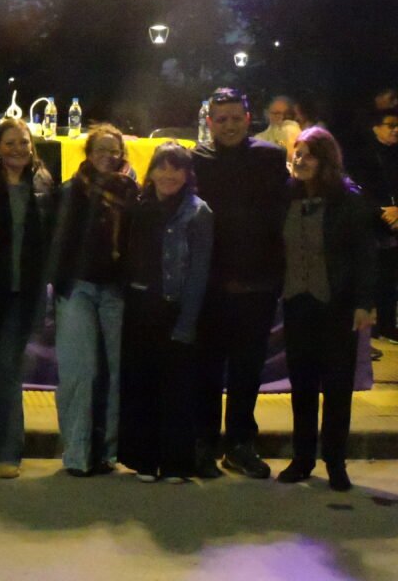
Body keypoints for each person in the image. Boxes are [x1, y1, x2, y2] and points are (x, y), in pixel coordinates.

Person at [192, 87, 289, 480]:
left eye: (236, 118)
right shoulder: (195, 159)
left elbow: (286, 215)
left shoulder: (271, 157)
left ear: (248, 119)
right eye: (222, 120)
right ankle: (203, 443)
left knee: (247, 372)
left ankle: (240, 445)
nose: (229, 126)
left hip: (257, 284)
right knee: (206, 370)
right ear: (210, 122)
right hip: (209, 286)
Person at [277, 128, 377, 492]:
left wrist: (364, 302)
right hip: (297, 303)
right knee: (302, 386)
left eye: (308, 155)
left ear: (326, 160)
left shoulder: (348, 201)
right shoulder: (286, 196)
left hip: (336, 304)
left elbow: (365, 255)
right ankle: (303, 459)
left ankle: (335, 461)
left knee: (336, 387)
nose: (300, 160)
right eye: (297, 153)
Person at [119, 143, 212, 483]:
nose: (168, 174)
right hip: (140, 306)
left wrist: (187, 321)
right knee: (141, 384)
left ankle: (175, 463)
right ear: (152, 171)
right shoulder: (138, 206)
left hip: (175, 307)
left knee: (177, 389)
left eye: (177, 168)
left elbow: (199, 271)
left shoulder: (198, 212)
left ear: (188, 174)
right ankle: (144, 460)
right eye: (162, 167)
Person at [50, 123, 139, 477]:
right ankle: (77, 452)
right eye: (100, 149)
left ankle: (108, 452)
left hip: (116, 290)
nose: (108, 156)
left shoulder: (132, 193)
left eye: (114, 150)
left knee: (115, 373)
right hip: (78, 288)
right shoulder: (70, 190)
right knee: (80, 371)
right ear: (88, 154)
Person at [0, 117, 54, 479]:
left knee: (6, 365)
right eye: (10, 143)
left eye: (24, 142)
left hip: (25, 291)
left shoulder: (43, 182)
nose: (18, 149)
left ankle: (9, 451)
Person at [347, 106, 398, 346]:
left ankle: (387, 324)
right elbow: (359, 190)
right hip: (375, 223)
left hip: (394, 220)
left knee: (390, 278)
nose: (396, 130)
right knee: (378, 277)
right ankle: (377, 326)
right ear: (376, 127)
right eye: (391, 125)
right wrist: (383, 211)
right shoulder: (363, 156)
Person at [254, 95, 301, 160]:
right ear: (267, 114)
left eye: (287, 114)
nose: (282, 117)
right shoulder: (259, 140)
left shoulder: (297, 133)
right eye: (276, 113)